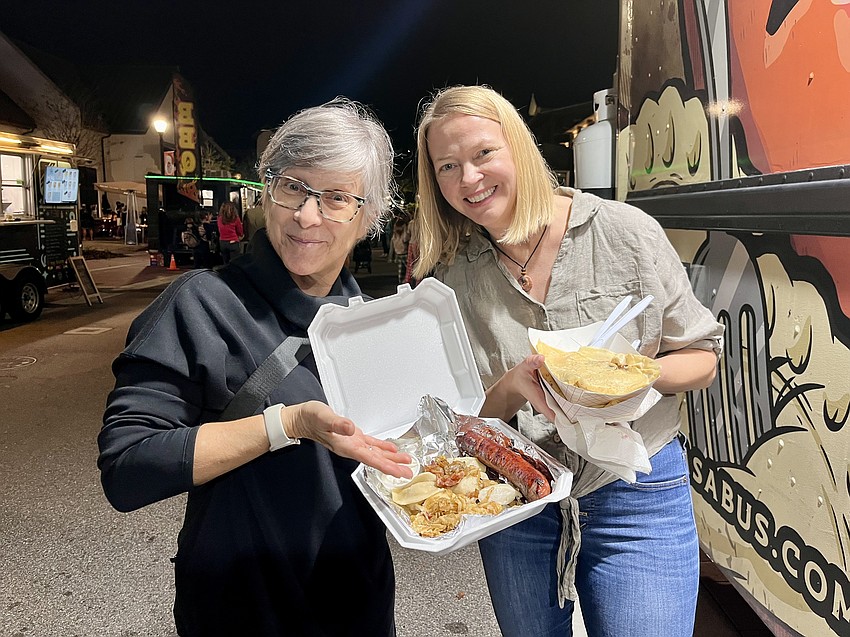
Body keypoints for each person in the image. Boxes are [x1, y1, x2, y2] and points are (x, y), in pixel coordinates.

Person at [413, 85, 724, 637]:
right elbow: (453, 419)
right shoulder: (451, 276)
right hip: (516, 494)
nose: (469, 179)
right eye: (447, 166)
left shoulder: (623, 232)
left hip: (634, 488)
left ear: (519, 147)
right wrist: (510, 387)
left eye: (484, 153)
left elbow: (702, 356)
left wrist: (632, 375)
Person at [97, 99, 412, 637]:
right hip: (239, 611)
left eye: (336, 198)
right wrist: (285, 425)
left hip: (359, 604)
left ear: (367, 219)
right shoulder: (202, 306)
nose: (307, 216)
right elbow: (128, 469)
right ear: (268, 190)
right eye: (293, 187)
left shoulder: (372, 326)